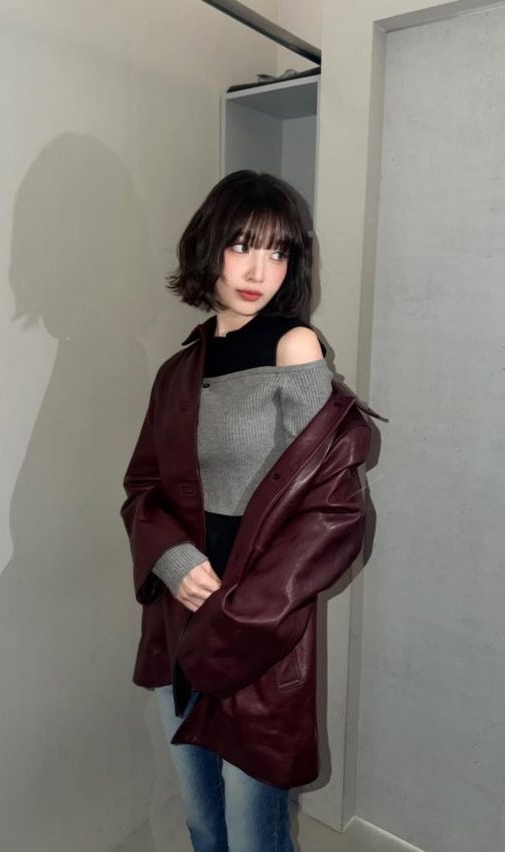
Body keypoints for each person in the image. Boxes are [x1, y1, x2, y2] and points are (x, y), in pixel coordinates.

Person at [120, 170, 385, 852]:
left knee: (253, 835)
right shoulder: (178, 371)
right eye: (242, 244)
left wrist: (242, 613)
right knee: (203, 823)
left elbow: (335, 509)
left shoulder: (294, 347)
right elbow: (144, 486)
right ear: (209, 245)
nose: (258, 270)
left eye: (278, 251)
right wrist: (172, 558)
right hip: (178, 620)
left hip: (257, 633)